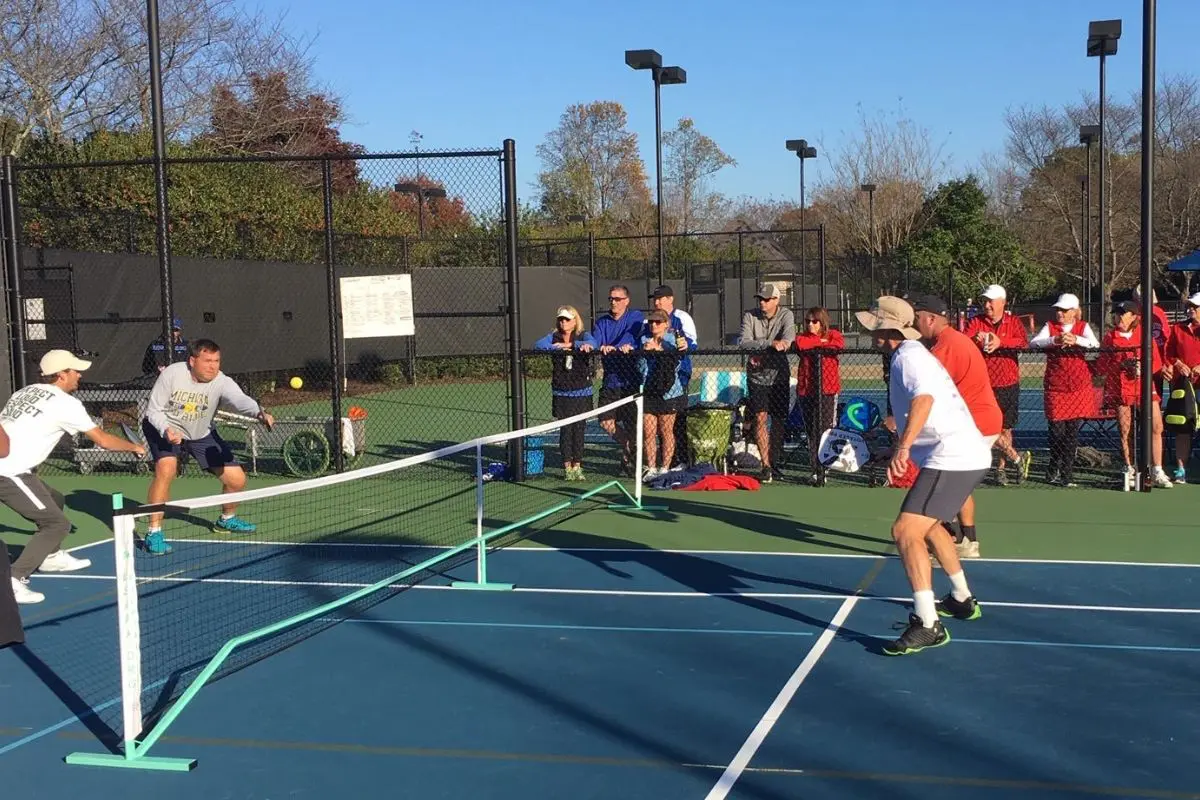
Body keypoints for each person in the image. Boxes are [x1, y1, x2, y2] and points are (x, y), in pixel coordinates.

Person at [857, 297, 990, 655]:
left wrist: (903, 448)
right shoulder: (912, 354)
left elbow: (924, 400)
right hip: (954, 454)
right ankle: (962, 598)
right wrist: (902, 446)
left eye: (874, 323)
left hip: (953, 456)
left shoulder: (909, 357)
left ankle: (928, 624)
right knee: (929, 527)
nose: (869, 329)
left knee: (904, 530)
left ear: (889, 329)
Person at [2, 350, 147, 605]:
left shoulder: (24, 392)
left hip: (17, 469)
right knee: (57, 524)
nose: (79, 375)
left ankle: (51, 556)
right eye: (74, 371)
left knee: (55, 498)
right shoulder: (66, 404)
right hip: (9, 472)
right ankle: (15, 578)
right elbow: (102, 440)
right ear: (60, 375)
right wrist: (134, 447)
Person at [141, 339, 274, 554]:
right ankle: (154, 532)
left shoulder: (221, 381)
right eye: (207, 361)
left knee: (236, 480)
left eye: (216, 361)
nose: (212, 366)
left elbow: (239, 400)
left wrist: (259, 412)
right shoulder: (172, 374)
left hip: (200, 432)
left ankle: (226, 519)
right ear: (192, 361)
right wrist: (166, 429)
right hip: (164, 427)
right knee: (167, 469)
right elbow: (153, 411)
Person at [912, 295, 1003, 560]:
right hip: (977, 422)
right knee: (957, 484)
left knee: (946, 482)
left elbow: (929, 391)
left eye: (917, 318)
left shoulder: (946, 346)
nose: (915, 324)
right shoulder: (948, 341)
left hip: (977, 423)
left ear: (931, 319)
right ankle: (967, 540)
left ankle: (949, 538)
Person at [1098, 301, 1173, 488]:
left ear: (1134, 316)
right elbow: (1102, 367)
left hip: (1144, 388)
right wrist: (1122, 366)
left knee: (1156, 426)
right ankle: (1129, 467)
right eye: (1117, 314)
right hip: (1121, 388)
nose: (1119, 317)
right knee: (1126, 430)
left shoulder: (1145, 337)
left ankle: (1157, 470)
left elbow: (1155, 364)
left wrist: (1142, 367)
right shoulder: (1110, 338)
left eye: (1123, 314)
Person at [962, 284, 1033, 484]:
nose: (987, 305)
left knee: (1005, 428)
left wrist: (1001, 341)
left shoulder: (1013, 322)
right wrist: (976, 340)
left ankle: (1001, 469)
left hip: (1008, 382)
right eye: (984, 301)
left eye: (991, 301)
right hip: (982, 383)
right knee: (981, 426)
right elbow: (964, 341)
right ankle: (1016, 457)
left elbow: (1023, 342)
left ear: (1002, 303)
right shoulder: (975, 322)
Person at [1030, 294, 1099, 486]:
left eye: (1065, 310)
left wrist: (1075, 339)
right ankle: (1054, 464)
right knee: (1056, 431)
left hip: (1078, 386)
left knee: (1072, 432)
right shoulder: (1050, 326)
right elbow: (1034, 343)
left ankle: (1067, 473)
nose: (1060, 313)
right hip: (1056, 386)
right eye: (1058, 310)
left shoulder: (1083, 327)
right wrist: (1056, 340)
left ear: (1074, 312)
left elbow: (1095, 344)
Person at [738, 283, 796, 483]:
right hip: (756, 377)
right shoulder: (749, 316)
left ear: (776, 300)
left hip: (779, 376)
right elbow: (744, 342)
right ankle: (766, 466)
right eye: (760, 299)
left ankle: (774, 461)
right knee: (760, 418)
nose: (762, 303)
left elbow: (789, 338)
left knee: (779, 419)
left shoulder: (786, 314)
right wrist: (769, 344)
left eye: (767, 299)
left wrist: (783, 344)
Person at [533, 306, 597, 481]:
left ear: (575, 320)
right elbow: (539, 345)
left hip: (582, 392)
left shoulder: (584, 336)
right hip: (562, 393)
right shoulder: (553, 337)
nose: (563, 322)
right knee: (566, 431)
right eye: (561, 319)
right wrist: (557, 348)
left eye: (567, 319)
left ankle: (578, 466)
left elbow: (593, 344)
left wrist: (571, 345)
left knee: (579, 430)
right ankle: (567, 467)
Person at [590, 285, 644, 475]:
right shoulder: (602, 322)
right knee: (605, 421)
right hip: (610, 381)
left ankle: (629, 462)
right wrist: (596, 346)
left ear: (626, 301)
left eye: (617, 299)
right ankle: (630, 447)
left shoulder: (635, 316)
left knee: (632, 425)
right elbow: (595, 340)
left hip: (631, 382)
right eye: (611, 298)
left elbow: (632, 336)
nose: (613, 302)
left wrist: (621, 346)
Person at [793, 306, 844, 485]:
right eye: (807, 321)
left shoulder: (834, 335)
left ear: (822, 322)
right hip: (807, 390)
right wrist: (821, 343)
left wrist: (820, 343)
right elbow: (802, 345)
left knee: (826, 429)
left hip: (828, 390)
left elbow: (837, 345)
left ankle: (825, 466)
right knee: (812, 431)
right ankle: (815, 468)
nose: (810, 324)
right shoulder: (802, 337)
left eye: (814, 321)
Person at [638, 309, 687, 480]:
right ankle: (651, 468)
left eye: (658, 322)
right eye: (651, 322)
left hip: (669, 393)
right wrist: (646, 351)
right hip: (649, 392)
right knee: (649, 432)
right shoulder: (644, 340)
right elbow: (641, 366)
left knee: (666, 431)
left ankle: (665, 467)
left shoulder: (674, 340)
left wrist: (658, 349)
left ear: (666, 324)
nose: (654, 325)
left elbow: (677, 355)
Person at [1165, 292, 1200, 482]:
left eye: (1195, 307)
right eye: (1190, 306)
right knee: (1183, 428)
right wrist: (1178, 363)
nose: (1191, 309)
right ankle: (1181, 470)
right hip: (1184, 387)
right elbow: (1168, 352)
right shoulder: (1177, 329)